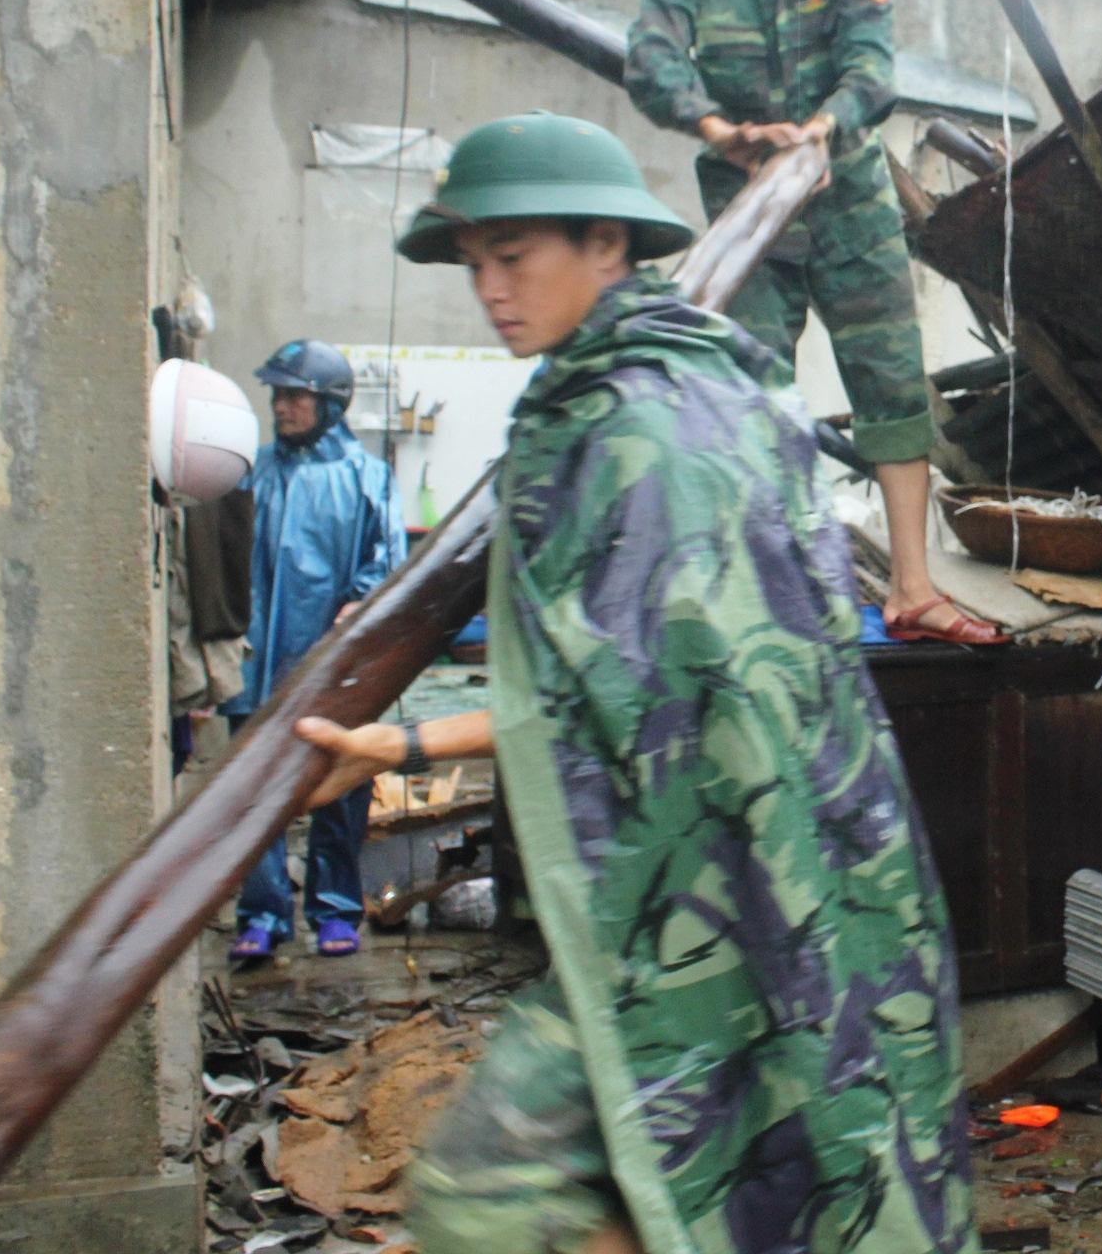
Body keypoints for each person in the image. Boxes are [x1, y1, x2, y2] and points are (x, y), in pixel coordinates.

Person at [290, 112, 974, 1254]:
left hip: (720, 900)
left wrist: (410, 747)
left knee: (492, 1196)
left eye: (515, 257)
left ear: (605, 243)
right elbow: (610, 682)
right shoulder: (665, 391)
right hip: (725, 885)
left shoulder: (645, 427)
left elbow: (680, 700)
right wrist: (397, 749)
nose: (491, 290)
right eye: (475, 264)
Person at [624, 0, 1002, 646]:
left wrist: (820, 131)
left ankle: (913, 587)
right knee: (749, 392)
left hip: (849, 200)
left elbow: (872, 67)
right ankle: (764, 587)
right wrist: (720, 131)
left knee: (890, 382)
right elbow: (650, 59)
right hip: (748, 214)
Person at [228, 338, 404, 961]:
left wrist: (359, 604)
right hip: (257, 659)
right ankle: (262, 913)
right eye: (277, 395)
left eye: (295, 396)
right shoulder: (253, 472)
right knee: (253, 788)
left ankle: (335, 908)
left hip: (336, 661)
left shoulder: (367, 477)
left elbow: (389, 561)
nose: (281, 407)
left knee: (341, 782)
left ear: (330, 403)